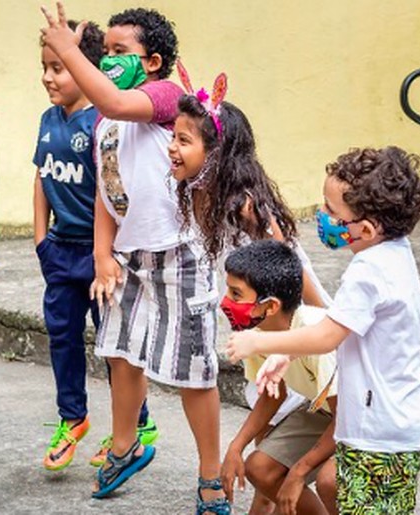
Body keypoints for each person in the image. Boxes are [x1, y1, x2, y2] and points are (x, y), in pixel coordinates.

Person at [41, 4, 229, 513]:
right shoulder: (106, 122)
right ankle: (125, 446)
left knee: (194, 371)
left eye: (119, 53)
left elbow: (118, 102)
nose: (107, 62)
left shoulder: (164, 97)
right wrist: (103, 253)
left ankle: (211, 475)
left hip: (179, 256)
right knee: (120, 353)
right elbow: (108, 187)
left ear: (153, 61)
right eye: (104, 53)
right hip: (130, 258)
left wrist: (66, 50)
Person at [226, 147, 420, 514]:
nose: (322, 216)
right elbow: (344, 327)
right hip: (391, 427)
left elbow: (327, 334)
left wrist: (259, 340)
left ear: (368, 228)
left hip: (376, 433)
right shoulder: (395, 254)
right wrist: (287, 354)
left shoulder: (369, 270)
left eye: (331, 211)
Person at [169, 62, 334, 514]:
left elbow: (292, 268)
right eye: (173, 137)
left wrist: (326, 326)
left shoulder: (244, 206)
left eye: (184, 140)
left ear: (216, 151)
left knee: (277, 456)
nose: (173, 149)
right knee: (267, 454)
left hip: (294, 325)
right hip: (261, 320)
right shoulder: (202, 195)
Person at [32, 19, 156, 473]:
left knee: (115, 347)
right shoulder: (48, 120)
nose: (49, 77)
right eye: (44, 67)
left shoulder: (105, 124)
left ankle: (136, 427)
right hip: (60, 252)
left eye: (60, 67)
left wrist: (113, 254)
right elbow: (42, 177)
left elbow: (115, 190)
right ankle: (73, 419)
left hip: (103, 254)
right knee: (61, 338)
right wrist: (40, 239)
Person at [218, 240, 339, 515]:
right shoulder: (257, 333)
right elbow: (274, 395)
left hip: (359, 415)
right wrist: (236, 447)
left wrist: (299, 471)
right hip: (324, 412)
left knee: (329, 481)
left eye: (236, 294)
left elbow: (346, 417)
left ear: (270, 306)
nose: (226, 301)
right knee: (260, 469)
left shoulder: (313, 329)